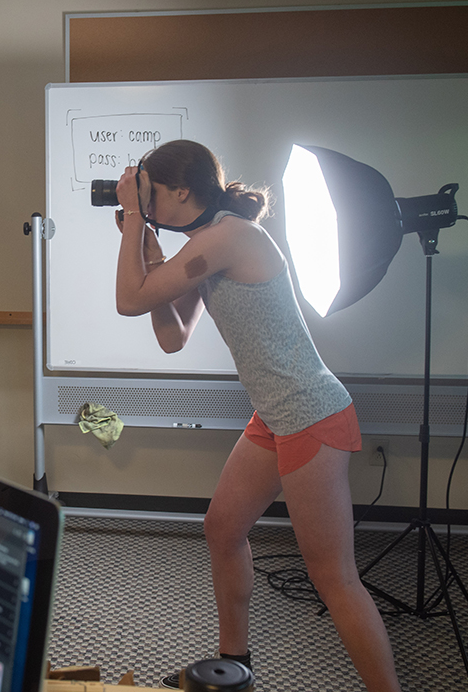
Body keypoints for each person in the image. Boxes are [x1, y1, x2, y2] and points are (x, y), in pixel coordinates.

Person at [113, 140, 401, 692]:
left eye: (149, 193)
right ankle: (233, 668)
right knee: (223, 529)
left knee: (333, 578)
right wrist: (144, 245)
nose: (144, 203)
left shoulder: (229, 238)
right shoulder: (206, 243)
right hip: (274, 415)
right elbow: (171, 334)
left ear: (180, 190)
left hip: (310, 415)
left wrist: (131, 221)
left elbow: (130, 300)